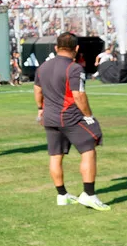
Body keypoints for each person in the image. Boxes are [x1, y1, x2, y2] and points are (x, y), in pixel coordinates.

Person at [34, 32, 108, 211]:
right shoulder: (74, 68)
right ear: (76, 48)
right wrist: (89, 116)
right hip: (70, 116)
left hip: (50, 117)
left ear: (56, 47)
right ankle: (89, 195)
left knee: (55, 155)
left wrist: (40, 109)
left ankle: (62, 194)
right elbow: (78, 95)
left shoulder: (42, 67)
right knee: (89, 149)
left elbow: (37, 91)